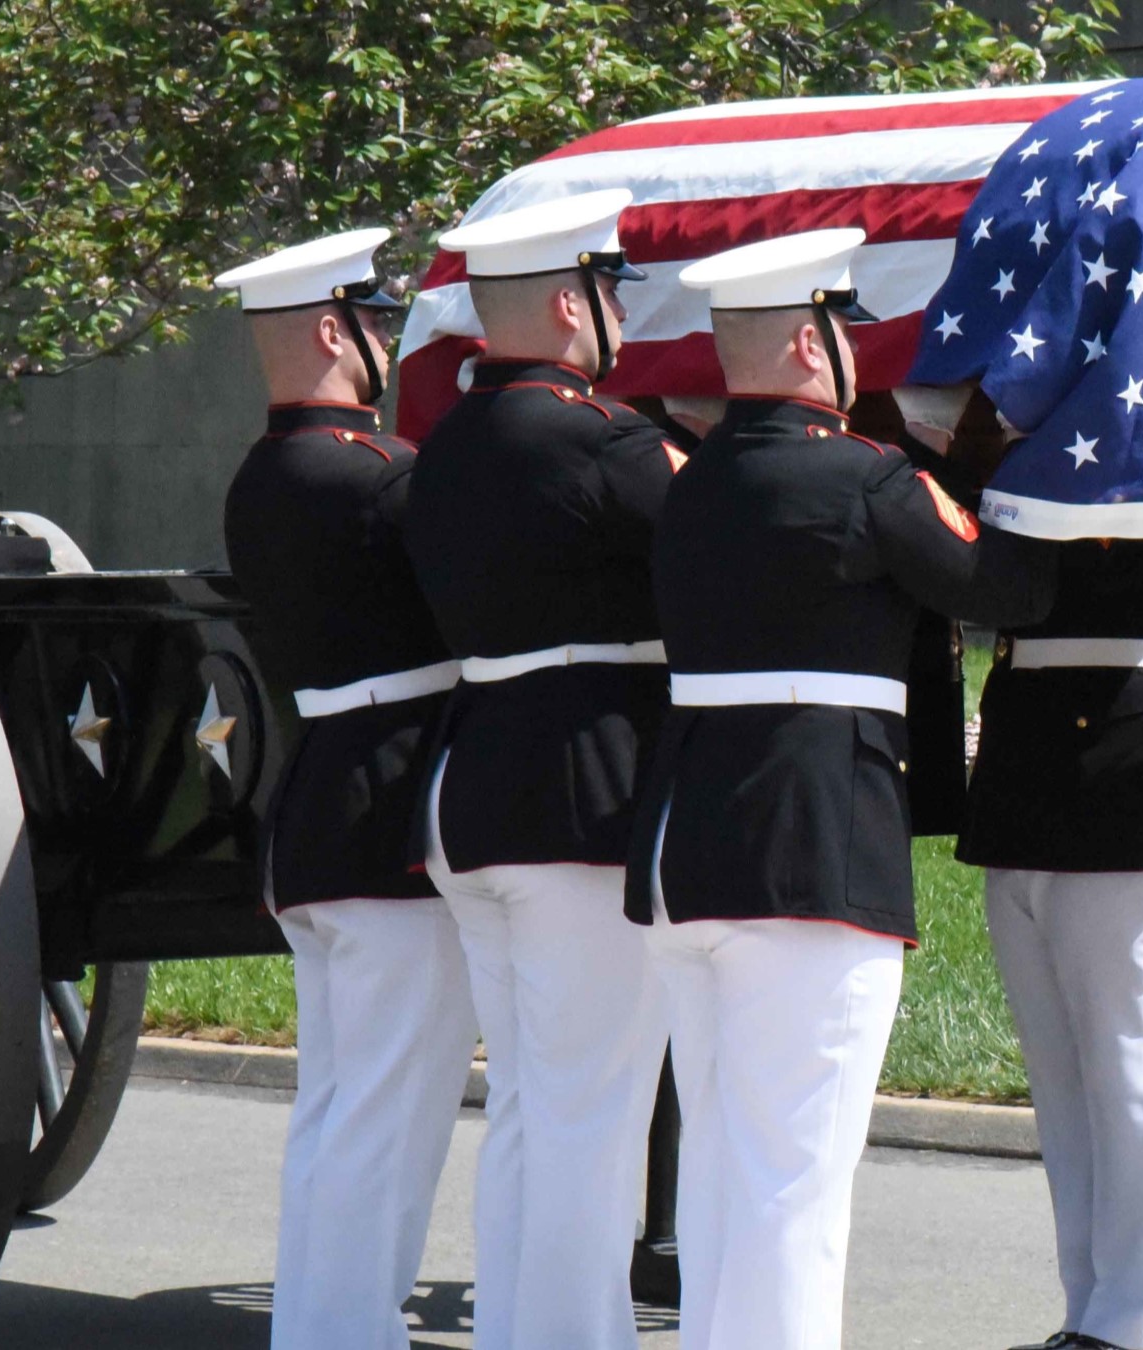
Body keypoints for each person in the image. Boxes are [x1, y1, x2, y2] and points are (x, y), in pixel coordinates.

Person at [625, 228, 1055, 1350]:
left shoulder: (684, 476)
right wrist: (958, 452)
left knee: (723, 1160)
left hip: (685, 849)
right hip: (805, 851)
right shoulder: (866, 481)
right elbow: (1009, 584)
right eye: (847, 330)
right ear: (815, 346)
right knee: (798, 1174)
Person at [406, 189, 681, 1350]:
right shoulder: (607, 442)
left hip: (473, 786)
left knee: (528, 1102)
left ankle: (527, 1329)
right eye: (611, 293)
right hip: (582, 790)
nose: (620, 315)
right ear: (573, 305)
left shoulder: (441, 447)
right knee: (588, 1110)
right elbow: (717, 551)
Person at [215, 228, 478, 1350]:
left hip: (318, 809)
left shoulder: (262, 477)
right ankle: (348, 1333)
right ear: (335, 330)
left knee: (336, 1109)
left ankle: (320, 1328)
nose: (386, 339)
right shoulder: (380, 480)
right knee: (389, 1110)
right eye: (375, 319)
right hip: (386, 822)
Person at [954, 525, 1143, 1350]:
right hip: (1027, 765)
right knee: (1064, 1082)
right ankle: (1091, 1313)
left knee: (1137, 1077)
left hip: (1132, 763)